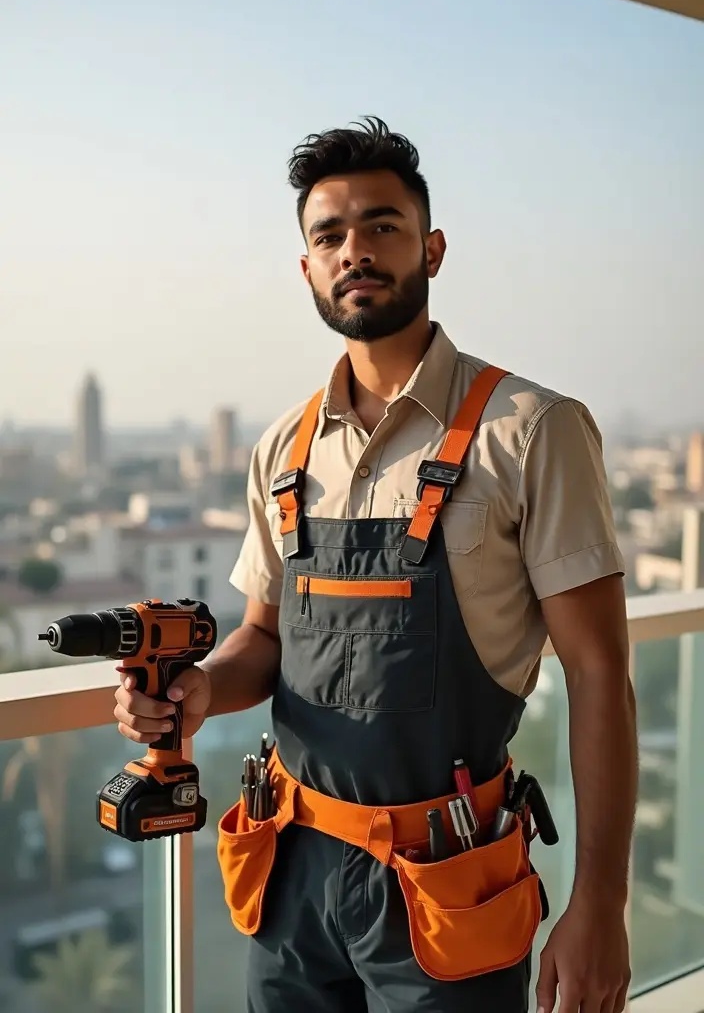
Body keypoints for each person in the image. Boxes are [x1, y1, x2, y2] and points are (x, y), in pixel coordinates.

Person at [113, 116, 637, 1013]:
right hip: (292, 875)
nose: (355, 250)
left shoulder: (532, 429)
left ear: (431, 249)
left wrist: (601, 904)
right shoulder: (283, 447)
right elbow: (263, 638)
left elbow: (599, 674)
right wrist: (200, 690)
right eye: (329, 236)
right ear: (308, 269)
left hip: (449, 882)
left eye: (382, 226)